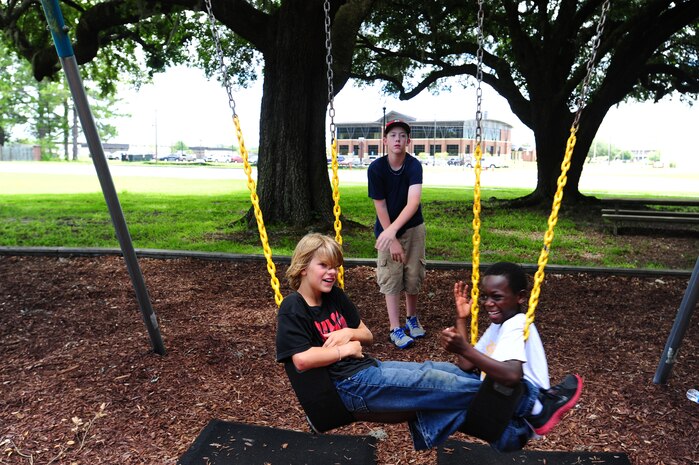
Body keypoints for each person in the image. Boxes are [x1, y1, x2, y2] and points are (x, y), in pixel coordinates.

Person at [276, 234, 582, 451]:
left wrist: (349, 334)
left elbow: (366, 335)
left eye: (335, 266)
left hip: (366, 372)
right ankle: (535, 404)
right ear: (303, 267)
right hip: (346, 387)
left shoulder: (336, 297)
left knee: (448, 375)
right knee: (432, 380)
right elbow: (301, 359)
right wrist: (347, 348)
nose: (332, 273)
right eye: (324, 266)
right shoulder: (293, 306)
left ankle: (510, 434)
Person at [440, 261, 584, 449]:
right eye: (485, 297)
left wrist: (463, 348)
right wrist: (461, 319)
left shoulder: (517, 322)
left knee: (434, 387)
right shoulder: (498, 325)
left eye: (497, 297)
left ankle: (542, 406)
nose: (488, 304)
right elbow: (467, 364)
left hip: (515, 421)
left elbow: (511, 375)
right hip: (499, 414)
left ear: (520, 297)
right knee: (444, 378)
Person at [367, 119, 426, 349]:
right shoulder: (376, 168)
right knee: (391, 276)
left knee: (413, 274)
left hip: (413, 228)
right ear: (385, 141)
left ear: (408, 141)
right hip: (386, 227)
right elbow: (380, 205)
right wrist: (390, 237)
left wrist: (393, 232)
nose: (397, 139)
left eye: (402, 136)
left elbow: (413, 202)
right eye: (392, 136)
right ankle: (395, 328)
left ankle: (411, 318)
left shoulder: (413, 166)